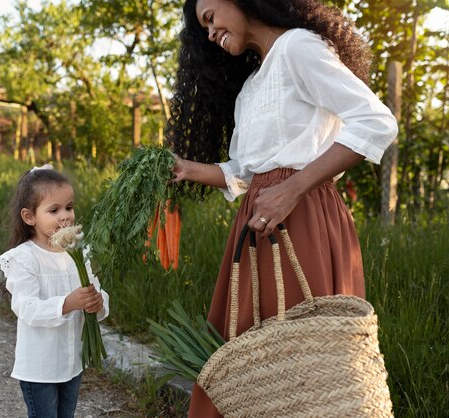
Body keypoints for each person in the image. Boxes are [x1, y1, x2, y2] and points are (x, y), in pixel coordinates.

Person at [167, 0, 398, 416]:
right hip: (256, 225)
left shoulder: (298, 48)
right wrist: (188, 169)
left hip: (304, 219)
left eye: (210, 18)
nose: (210, 32)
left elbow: (376, 122)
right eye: (202, 29)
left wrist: (292, 189)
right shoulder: (252, 86)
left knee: (308, 363)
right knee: (249, 365)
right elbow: (248, 170)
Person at [0, 165, 109, 418]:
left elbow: (96, 292)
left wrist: (97, 303)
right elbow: (27, 309)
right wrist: (68, 303)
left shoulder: (79, 252)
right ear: (29, 217)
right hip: (40, 368)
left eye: (69, 207)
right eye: (54, 210)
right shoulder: (24, 258)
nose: (65, 217)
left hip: (72, 362)